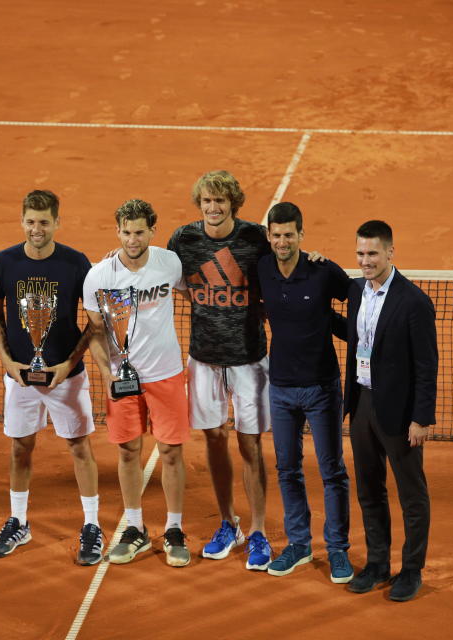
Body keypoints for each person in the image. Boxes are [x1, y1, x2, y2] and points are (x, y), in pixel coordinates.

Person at [0, 190, 103, 565]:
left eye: (44, 222)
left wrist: (69, 364)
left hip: (66, 377)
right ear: (22, 221)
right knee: (20, 446)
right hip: (20, 378)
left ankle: (92, 525)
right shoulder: (4, 263)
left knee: (80, 447)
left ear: (57, 222)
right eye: (31, 222)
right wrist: (6, 361)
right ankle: (19, 521)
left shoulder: (76, 263)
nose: (37, 229)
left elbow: (95, 320)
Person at [166, 170, 274, 570]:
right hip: (204, 359)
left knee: (250, 445)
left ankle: (259, 530)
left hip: (249, 359)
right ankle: (229, 523)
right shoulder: (183, 240)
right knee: (214, 439)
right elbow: (162, 274)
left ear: (233, 204)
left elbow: (283, 270)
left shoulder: (255, 239)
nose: (213, 208)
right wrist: (120, 259)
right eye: (207, 201)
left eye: (220, 201)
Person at [83, 199, 191, 568]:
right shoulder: (99, 276)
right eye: (126, 232)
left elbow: (194, 294)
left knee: (172, 452)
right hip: (123, 380)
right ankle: (134, 528)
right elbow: (96, 332)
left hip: (166, 374)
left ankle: (174, 529)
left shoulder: (169, 264)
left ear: (152, 231)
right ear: (117, 231)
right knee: (128, 451)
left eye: (139, 232)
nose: (132, 239)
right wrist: (107, 375)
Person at [255, 202, 353, 583]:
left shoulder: (322, 270)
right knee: (288, 470)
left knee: (332, 471)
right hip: (280, 388)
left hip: (322, 389)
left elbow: (359, 301)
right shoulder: (262, 266)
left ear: (301, 234)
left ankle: (338, 550)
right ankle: (299, 543)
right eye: (276, 235)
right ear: (269, 236)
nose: (282, 241)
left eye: (289, 234)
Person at [343, 220, 437, 602]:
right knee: (369, 489)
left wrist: (422, 418)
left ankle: (411, 570)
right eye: (361, 254)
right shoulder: (355, 291)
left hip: (400, 414)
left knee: (412, 495)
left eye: (373, 254)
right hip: (363, 404)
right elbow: (358, 337)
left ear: (390, 252)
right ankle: (378, 563)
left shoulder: (413, 301)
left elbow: (426, 365)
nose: (365, 261)